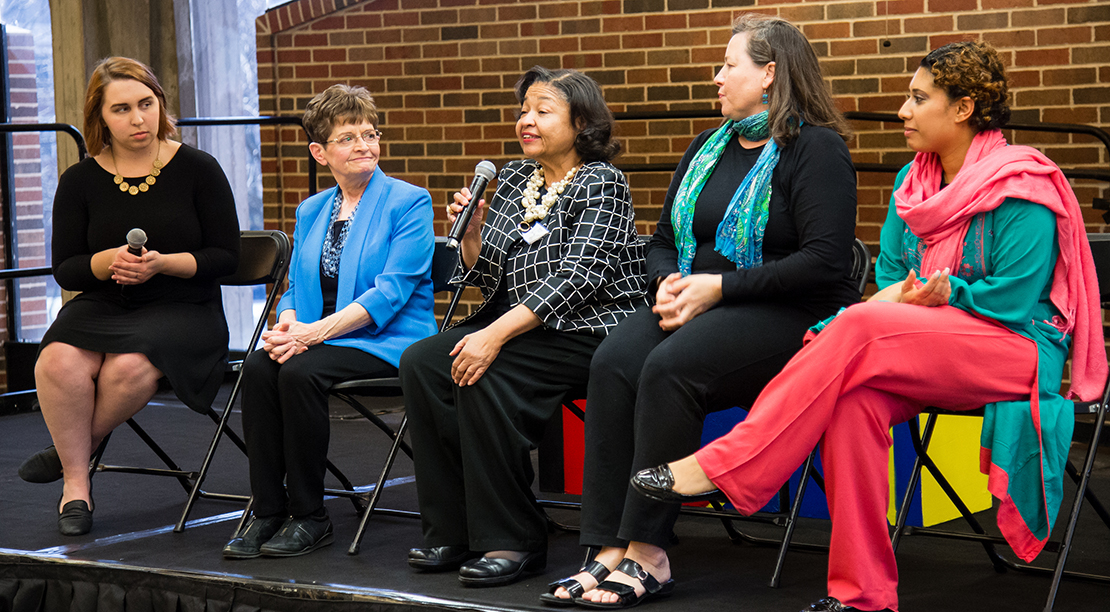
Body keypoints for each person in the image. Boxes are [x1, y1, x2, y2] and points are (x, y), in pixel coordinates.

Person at [630, 40, 1107, 612]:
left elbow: (1011, 300)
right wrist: (907, 297)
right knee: (855, 401)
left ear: (963, 108)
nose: (903, 111)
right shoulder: (913, 183)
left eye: (917, 98)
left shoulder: (1023, 186)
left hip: (1016, 348)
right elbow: (888, 278)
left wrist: (942, 293)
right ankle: (864, 596)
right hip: (920, 342)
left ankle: (733, 462)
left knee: (860, 326)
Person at [549, 15, 859, 608]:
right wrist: (668, 281)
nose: (716, 78)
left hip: (792, 315)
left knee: (670, 366)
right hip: (699, 302)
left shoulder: (815, 148)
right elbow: (663, 238)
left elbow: (825, 262)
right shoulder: (708, 145)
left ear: (770, 74)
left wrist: (718, 288)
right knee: (615, 359)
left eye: (728, 66)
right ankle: (607, 548)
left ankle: (649, 553)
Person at [400, 66, 646, 587]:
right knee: (422, 362)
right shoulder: (513, 178)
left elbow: (580, 277)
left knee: (483, 370)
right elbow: (487, 273)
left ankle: (512, 538)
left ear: (581, 123)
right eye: (523, 111)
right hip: (518, 323)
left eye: (542, 111)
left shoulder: (604, 182)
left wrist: (493, 336)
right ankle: (453, 527)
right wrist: (471, 232)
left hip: (587, 329)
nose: (525, 121)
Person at [19, 57, 240, 536]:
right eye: (122, 109)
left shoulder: (199, 168)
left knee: (127, 366)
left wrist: (161, 263)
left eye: (147, 104)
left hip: (185, 304)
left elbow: (227, 257)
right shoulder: (79, 180)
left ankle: (69, 454)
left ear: (161, 104)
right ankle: (76, 486)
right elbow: (67, 268)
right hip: (106, 301)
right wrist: (110, 261)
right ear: (100, 117)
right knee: (57, 361)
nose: (139, 119)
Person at [221, 84, 436, 559]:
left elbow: (391, 292)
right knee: (258, 368)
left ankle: (311, 517)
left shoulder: (409, 202)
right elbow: (296, 287)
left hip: (389, 339)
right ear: (320, 152)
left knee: (298, 373)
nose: (364, 145)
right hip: (320, 339)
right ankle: (269, 511)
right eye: (348, 137)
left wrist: (310, 335)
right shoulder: (311, 209)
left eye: (370, 133)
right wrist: (287, 327)